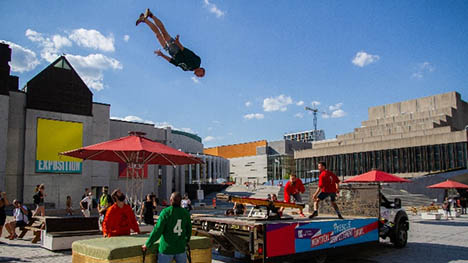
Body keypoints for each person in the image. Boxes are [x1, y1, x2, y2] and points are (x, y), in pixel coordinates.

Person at [136, 8, 205, 78]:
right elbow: (186, 51)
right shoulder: (197, 62)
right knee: (164, 33)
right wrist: (178, 43)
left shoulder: (187, 69)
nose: (199, 76)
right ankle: (151, 15)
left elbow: (173, 62)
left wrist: (162, 55)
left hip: (170, 53)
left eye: (200, 76)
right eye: (201, 75)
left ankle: (144, 19)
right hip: (176, 49)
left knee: (158, 35)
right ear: (201, 70)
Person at [142, 192, 191, 263]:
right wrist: (186, 241)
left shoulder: (166, 212)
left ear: (171, 200)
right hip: (180, 248)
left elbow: (157, 230)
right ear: (180, 201)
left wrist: (148, 244)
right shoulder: (185, 213)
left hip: (166, 249)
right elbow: (189, 230)